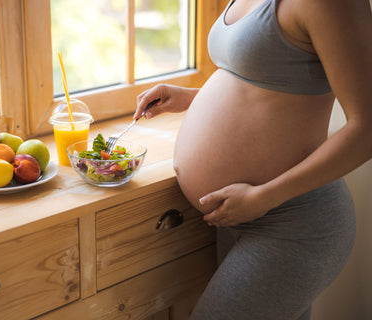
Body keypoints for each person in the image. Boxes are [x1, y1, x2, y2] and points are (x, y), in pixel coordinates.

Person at [134, 0, 372, 319]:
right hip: (239, 215)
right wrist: (192, 97)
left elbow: (367, 129)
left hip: (293, 222)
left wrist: (265, 196)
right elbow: (262, 80)